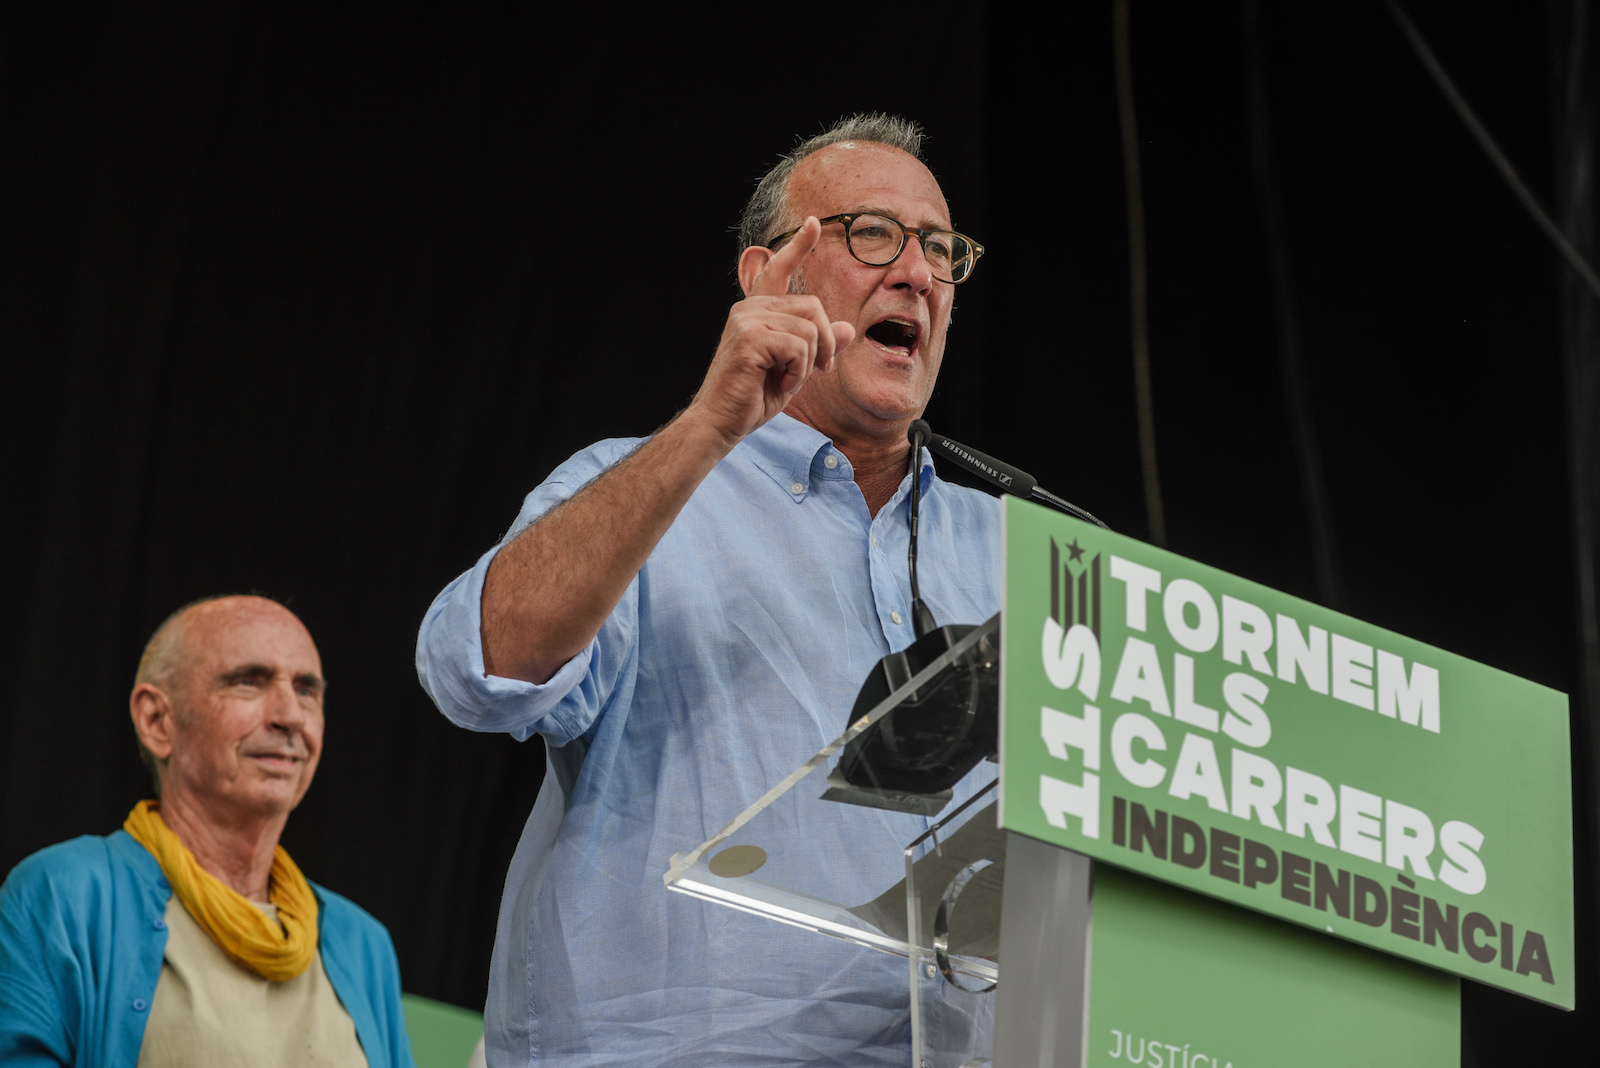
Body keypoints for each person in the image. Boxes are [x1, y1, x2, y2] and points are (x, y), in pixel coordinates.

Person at [417, 113, 1000, 1066]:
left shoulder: (1020, 553)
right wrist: (708, 424)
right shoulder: (641, 490)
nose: (918, 273)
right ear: (766, 277)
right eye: (873, 235)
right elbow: (477, 669)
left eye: (940, 249)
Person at [0, 595, 415, 1068]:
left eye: (307, 690)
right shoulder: (61, 895)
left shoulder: (364, 944)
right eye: (248, 682)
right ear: (158, 720)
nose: (290, 716)